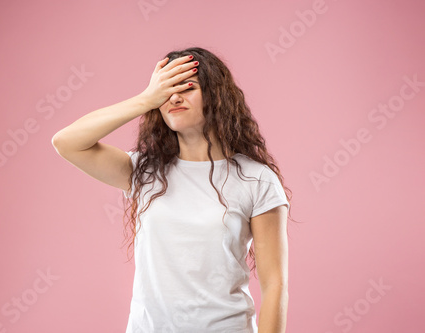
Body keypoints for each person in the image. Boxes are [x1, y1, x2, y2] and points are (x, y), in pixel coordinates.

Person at [52, 46, 293, 333]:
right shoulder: (144, 171)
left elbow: (274, 284)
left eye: (187, 87)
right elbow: (66, 142)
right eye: (167, 90)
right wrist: (145, 98)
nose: (174, 97)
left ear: (216, 97)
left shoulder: (256, 180)